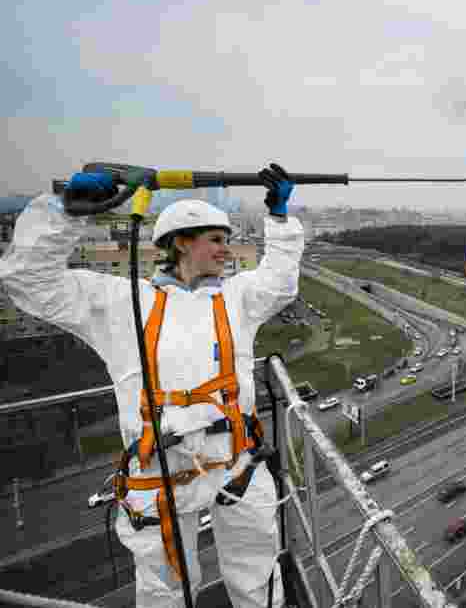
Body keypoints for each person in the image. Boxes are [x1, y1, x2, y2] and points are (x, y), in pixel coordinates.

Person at [0, 163, 304, 608]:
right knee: (165, 594)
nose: (227, 249)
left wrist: (279, 220)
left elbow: (280, 281)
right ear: (181, 243)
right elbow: (30, 281)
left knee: (259, 582)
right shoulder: (121, 303)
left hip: (237, 466)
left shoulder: (236, 298)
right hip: (158, 475)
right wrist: (64, 213)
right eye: (216, 240)